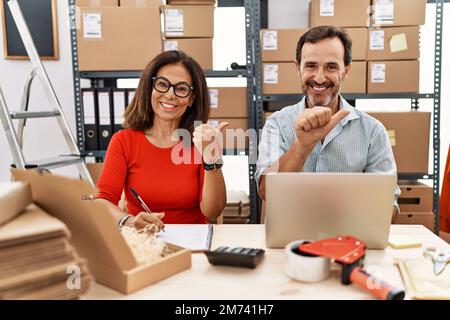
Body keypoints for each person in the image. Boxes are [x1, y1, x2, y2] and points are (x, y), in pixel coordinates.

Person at [256, 26, 400, 220]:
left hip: (350, 241)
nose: (319, 77)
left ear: (346, 70)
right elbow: (267, 192)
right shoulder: (276, 124)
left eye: (331, 67)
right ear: (297, 67)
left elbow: (388, 208)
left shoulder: (373, 131)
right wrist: (302, 146)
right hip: (289, 243)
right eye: (311, 66)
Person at [95, 50, 227, 230]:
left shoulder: (200, 141)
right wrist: (129, 220)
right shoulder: (123, 141)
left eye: (181, 89)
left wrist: (211, 158)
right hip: (144, 241)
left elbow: (213, 211)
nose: (170, 95)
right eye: (162, 84)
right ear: (149, 89)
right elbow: (102, 200)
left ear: (191, 98)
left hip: (192, 242)